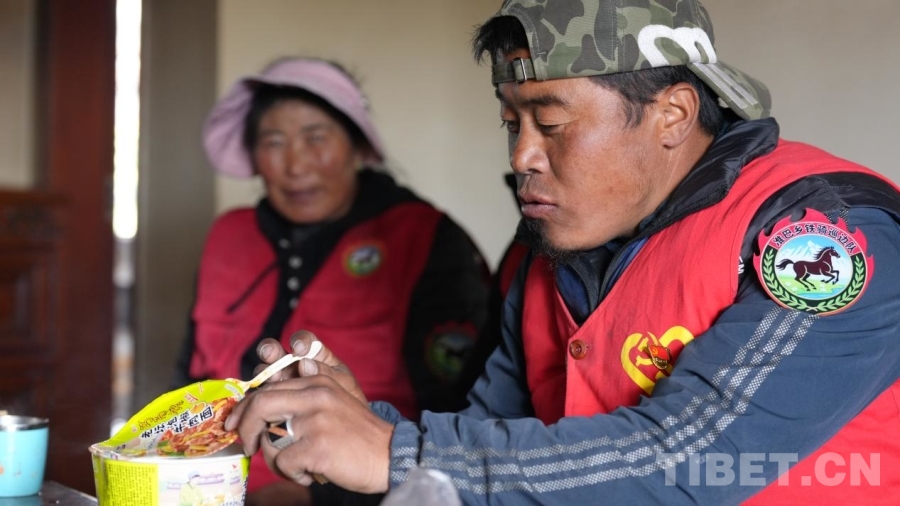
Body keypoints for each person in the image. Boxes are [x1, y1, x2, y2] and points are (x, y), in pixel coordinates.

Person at [224, 1, 900, 504]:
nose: (522, 155)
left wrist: (394, 452)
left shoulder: (830, 233)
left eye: (550, 123)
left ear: (672, 115)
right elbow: (494, 444)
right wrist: (348, 436)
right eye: (511, 123)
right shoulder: (550, 253)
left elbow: (692, 457)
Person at [172, 57, 491, 503]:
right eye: (274, 142)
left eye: (316, 138)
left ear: (356, 145)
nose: (296, 165)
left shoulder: (423, 237)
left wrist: (318, 498)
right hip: (205, 484)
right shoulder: (229, 235)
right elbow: (187, 380)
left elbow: (455, 418)